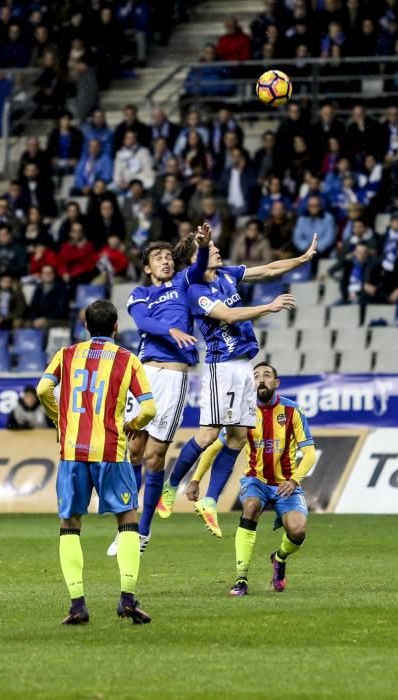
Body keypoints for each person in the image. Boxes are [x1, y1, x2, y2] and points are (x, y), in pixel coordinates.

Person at [156, 234, 317, 531]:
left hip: (244, 366)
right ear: (196, 258)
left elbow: (267, 270)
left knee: (239, 437)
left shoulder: (226, 274)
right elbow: (228, 315)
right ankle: (171, 485)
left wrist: (302, 259)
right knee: (207, 435)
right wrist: (268, 307)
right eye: (211, 249)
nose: (218, 250)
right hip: (223, 366)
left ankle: (210, 501)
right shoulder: (195, 290)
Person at [36, 300, 157, 625]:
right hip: (110, 450)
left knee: (70, 524)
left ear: (86, 327)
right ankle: (127, 599)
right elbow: (148, 409)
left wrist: (60, 419)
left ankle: (77, 605)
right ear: (116, 327)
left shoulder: (66, 355)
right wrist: (130, 424)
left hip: (73, 452)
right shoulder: (127, 359)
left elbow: (43, 388)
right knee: (127, 519)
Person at [106, 224, 212, 558]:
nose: (165, 261)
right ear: (147, 267)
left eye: (168, 256)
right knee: (133, 450)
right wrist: (171, 330)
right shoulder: (140, 294)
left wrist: (205, 246)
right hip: (145, 373)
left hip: (174, 379)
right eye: (158, 257)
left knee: (154, 456)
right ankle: (127, 528)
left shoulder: (183, 282)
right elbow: (142, 323)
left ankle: (143, 532)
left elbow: (198, 265)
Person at [187, 363, 316, 594]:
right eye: (255, 376)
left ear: (276, 383)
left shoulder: (292, 411)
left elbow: (309, 453)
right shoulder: (243, 413)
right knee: (251, 506)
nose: (261, 380)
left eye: (267, 375)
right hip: (255, 480)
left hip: (286, 484)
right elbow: (215, 446)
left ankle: (279, 558)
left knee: (297, 531)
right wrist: (196, 479)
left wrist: (295, 480)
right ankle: (241, 580)